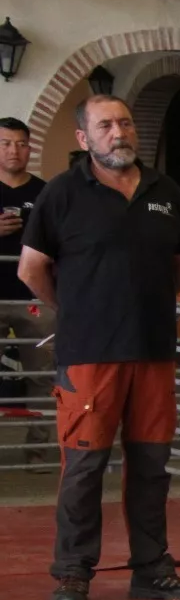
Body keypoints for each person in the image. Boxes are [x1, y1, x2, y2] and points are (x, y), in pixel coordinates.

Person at [17, 95, 180, 600]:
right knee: (84, 466)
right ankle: (73, 574)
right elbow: (31, 269)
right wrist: (77, 309)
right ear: (84, 138)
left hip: (152, 351)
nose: (118, 133)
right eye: (105, 125)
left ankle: (151, 569)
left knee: (152, 465)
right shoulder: (61, 194)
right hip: (89, 354)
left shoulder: (164, 191)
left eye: (125, 123)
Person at [0, 116, 54, 466]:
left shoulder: (46, 191)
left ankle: (39, 451)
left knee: (43, 374)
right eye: (5, 143)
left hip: (35, 297)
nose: (14, 150)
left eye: (20, 143)